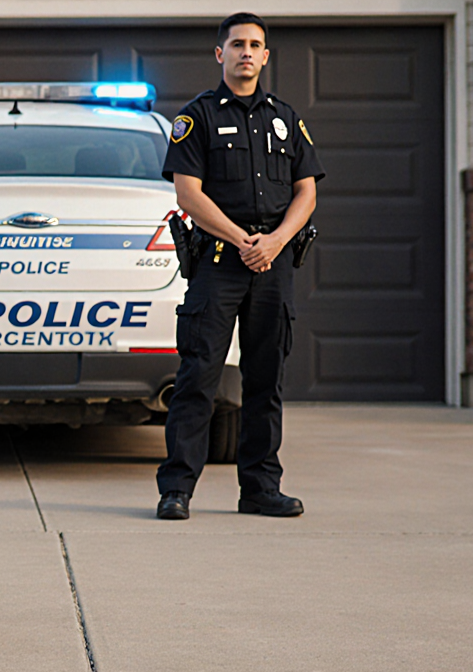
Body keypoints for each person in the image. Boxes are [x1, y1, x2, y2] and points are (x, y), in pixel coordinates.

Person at [156, 13, 324, 519]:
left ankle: (259, 489)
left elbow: (307, 190)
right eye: (237, 44)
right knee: (198, 377)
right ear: (220, 54)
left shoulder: (286, 118)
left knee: (265, 379)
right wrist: (243, 239)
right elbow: (188, 193)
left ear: (265, 56)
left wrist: (274, 242)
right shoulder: (197, 117)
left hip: (273, 265)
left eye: (255, 45)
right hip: (220, 263)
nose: (246, 52)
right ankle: (177, 490)